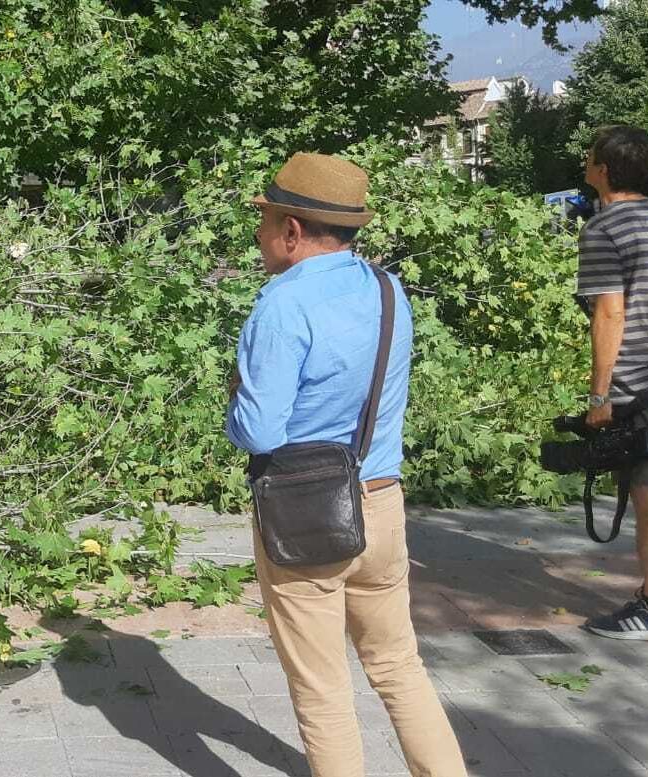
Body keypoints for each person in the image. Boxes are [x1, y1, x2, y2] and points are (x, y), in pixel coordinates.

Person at [225, 154, 465, 776]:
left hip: (307, 515)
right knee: (398, 667)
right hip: (383, 502)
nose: (258, 234)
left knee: (323, 690)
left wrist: (236, 393)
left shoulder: (281, 306)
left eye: (265, 220)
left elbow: (258, 431)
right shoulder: (387, 289)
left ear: (292, 231)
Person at [576, 126, 648, 641]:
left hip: (645, 380)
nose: (585, 163)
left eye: (589, 157)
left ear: (603, 170)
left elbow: (610, 313)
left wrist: (600, 394)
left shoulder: (603, 229)